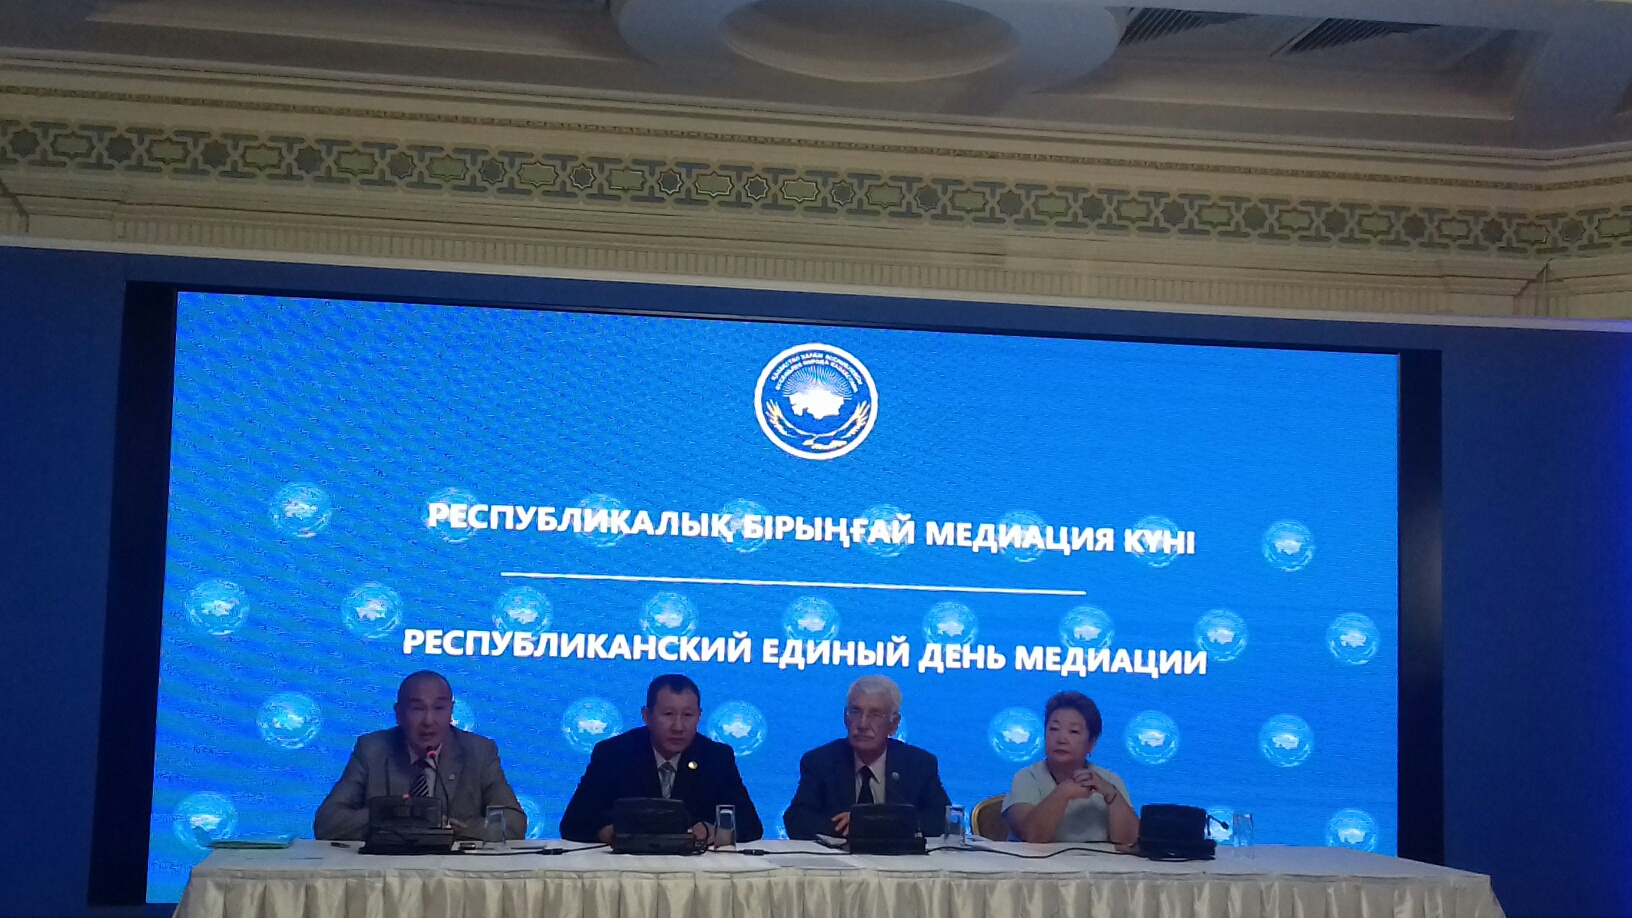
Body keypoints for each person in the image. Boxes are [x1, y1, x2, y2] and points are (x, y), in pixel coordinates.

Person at [314, 670, 526, 840]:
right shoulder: (372, 749)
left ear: (451, 711)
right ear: (398, 713)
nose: (429, 721)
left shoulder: (479, 751)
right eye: (417, 709)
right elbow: (327, 823)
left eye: (439, 708)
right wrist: (396, 818)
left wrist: (450, 828)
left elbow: (514, 823)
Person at [559, 673, 763, 844]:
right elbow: (574, 823)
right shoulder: (614, 754)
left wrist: (712, 830)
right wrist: (611, 832)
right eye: (668, 714)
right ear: (647, 716)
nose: (678, 727)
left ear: (699, 717)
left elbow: (751, 826)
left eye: (688, 715)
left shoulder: (716, 758)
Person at [783, 675, 951, 840]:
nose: (862, 724)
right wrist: (852, 828)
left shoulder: (918, 764)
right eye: (855, 712)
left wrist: (875, 824)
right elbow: (797, 820)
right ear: (845, 718)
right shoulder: (821, 762)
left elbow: (942, 819)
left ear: (894, 724)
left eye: (875, 714)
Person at [1003, 691, 1138, 845]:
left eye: (1073, 731)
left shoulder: (1109, 780)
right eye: (1054, 729)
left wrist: (1111, 795)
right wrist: (1063, 792)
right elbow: (1032, 836)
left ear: (1091, 743)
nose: (1061, 739)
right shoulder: (1027, 777)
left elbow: (1131, 842)